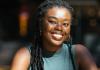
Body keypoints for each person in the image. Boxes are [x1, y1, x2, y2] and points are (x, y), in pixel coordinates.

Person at [11, 0, 98, 70]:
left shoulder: (79, 53)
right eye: (52, 21)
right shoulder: (25, 56)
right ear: (41, 24)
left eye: (65, 24)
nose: (59, 28)